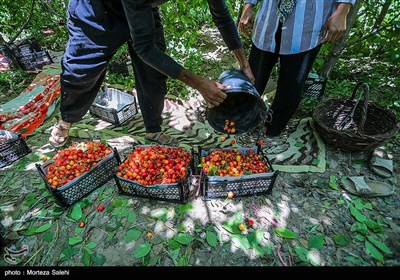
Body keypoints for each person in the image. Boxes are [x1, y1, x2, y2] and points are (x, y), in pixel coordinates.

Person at [49, 0, 255, 147]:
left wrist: (244, 63)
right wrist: (198, 83)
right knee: (81, 71)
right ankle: (66, 120)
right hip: (98, 12)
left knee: (153, 74)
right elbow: (144, 48)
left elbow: (221, 16)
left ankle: (153, 129)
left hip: (142, 10)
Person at [239, 0, 355, 137]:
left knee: (291, 86)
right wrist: (248, 5)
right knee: (253, 77)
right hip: (269, 20)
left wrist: (343, 10)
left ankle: (271, 130)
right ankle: (243, 119)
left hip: (307, 23)